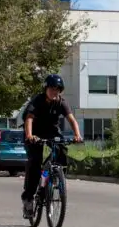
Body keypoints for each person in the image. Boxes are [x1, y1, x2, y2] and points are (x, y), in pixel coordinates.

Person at [21, 74, 82, 218]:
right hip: (34, 132)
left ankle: (53, 175)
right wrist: (29, 136)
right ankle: (28, 198)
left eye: (58, 89)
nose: (55, 92)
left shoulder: (61, 102)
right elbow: (29, 119)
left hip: (51, 131)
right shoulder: (38, 100)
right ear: (46, 89)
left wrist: (77, 135)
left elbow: (72, 120)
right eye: (52, 89)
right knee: (35, 161)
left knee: (62, 150)